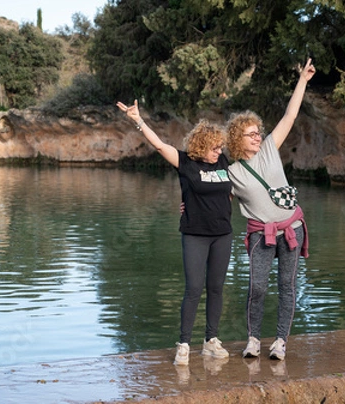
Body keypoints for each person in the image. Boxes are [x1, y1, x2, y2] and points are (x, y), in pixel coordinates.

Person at [116, 100, 233, 366]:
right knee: (193, 288)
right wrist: (138, 120)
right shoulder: (185, 163)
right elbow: (158, 144)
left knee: (216, 288)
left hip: (223, 234)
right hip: (194, 233)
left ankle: (211, 341)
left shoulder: (223, 161)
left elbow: (230, 191)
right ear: (201, 146)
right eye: (214, 147)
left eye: (220, 147)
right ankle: (184, 344)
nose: (219, 151)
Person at [226, 58, 316, 361]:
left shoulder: (269, 149)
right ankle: (253, 340)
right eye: (251, 134)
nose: (257, 136)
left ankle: (280, 342)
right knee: (258, 287)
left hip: (291, 228)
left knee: (287, 287)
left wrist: (302, 80)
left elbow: (290, 115)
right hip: (259, 235)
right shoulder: (233, 172)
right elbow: (215, 197)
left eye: (258, 132)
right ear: (238, 139)